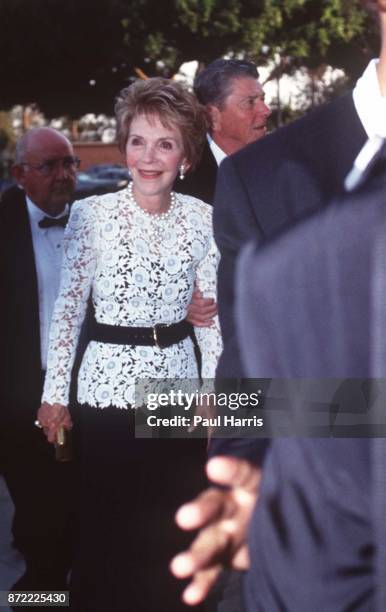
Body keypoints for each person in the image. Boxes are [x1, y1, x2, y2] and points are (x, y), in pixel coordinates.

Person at [171, 0, 386, 608]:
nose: (263, 111)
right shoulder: (262, 179)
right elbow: (251, 370)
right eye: (248, 101)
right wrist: (249, 466)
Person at [38, 77, 223, 612]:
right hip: (105, 399)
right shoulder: (91, 215)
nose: (149, 156)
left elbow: (209, 320)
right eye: (138, 141)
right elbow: (67, 314)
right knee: (111, 540)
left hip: (177, 399)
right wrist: (55, 397)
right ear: (123, 149)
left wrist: (214, 396)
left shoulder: (202, 220)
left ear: (185, 155)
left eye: (165, 143)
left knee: (172, 535)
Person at [0, 127, 79, 598]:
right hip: (20, 398)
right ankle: (39, 598)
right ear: (19, 175)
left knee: (79, 510)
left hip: (88, 391)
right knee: (38, 518)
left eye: (69, 163)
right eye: (48, 166)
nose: (63, 175)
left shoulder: (96, 218)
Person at [174, 58, 271, 204]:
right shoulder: (181, 185)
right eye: (249, 102)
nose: (266, 110)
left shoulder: (279, 165)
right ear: (213, 117)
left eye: (263, 99)